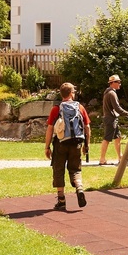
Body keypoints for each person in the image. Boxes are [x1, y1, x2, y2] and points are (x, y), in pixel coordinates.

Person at [44, 82, 91, 211]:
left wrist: (47, 147)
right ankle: (79, 188)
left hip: (61, 143)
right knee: (75, 169)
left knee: (58, 169)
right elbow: (87, 127)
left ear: (61, 94)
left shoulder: (56, 109)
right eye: (74, 92)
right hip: (76, 142)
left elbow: (49, 129)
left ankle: (61, 200)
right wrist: (86, 145)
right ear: (71, 93)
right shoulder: (80, 107)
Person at [100, 74, 128, 165]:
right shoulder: (111, 93)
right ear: (112, 83)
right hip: (110, 119)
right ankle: (102, 159)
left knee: (118, 137)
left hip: (112, 118)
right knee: (107, 139)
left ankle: (120, 157)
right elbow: (117, 108)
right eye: (118, 82)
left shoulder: (109, 92)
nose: (120, 84)